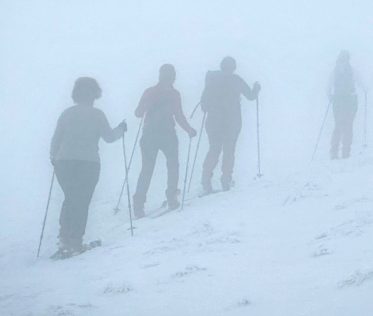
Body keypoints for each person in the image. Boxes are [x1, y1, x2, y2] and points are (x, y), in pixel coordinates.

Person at [50, 77, 127, 259]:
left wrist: (53, 158)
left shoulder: (67, 113)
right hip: (88, 163)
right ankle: (75, 242)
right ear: (94, 94)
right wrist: (121, 129)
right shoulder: (97, 115)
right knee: (81, 202)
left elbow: (56, 139)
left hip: (64, 163)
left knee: (70, 199)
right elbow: (109, 137)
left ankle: (65, 239)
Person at [132, 64, 196, 217]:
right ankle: (172, 198)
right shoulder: (174, 94)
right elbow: (178, 116)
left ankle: (138, 205)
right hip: (168, 134)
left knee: (146, 169)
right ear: (173, 77)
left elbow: (138, 113)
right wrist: (189, 130)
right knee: (173, 166)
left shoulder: (149, 92)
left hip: (149, 135)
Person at [199, 56, 260, 194]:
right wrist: (256, 88)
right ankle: (226, 180)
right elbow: (250, 96)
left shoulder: (212, 80)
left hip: (213, 122)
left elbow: (203, 105)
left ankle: (206, 178)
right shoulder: (236, 80)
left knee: (214, 149)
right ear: (233, 67)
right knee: (229, 150)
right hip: (232, 122)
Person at [328, 50, 365, 159]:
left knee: (339, 126)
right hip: (350, 101)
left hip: (339, 102)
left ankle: (335, 153)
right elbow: (360, 81)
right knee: (347, 126)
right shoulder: (351, 70)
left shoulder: (335, 71)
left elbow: (328, 86)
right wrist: (365, 89)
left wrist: (330, 96)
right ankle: (345, 153)